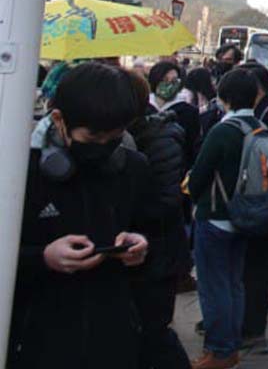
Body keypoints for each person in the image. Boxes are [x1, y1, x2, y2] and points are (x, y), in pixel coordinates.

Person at [12, 63, 151, 369]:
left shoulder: (133, 168)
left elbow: (157, 239)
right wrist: (42, 258)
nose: (103, 147)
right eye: (93, 136)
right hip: (36, 340)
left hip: (113, 336)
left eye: (114, 137)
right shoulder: (19, 170)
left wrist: (140, 245)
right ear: (58, 120)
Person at [186, 68, 263, 369]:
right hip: (246, 216)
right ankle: (231, 344)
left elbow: (199, 177)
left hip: (216, 215)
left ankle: (219, 350)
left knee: (213, 286)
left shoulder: (223, 130)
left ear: (224, 97)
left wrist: (192, 190)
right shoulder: (259, 127)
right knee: (233, 284)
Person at [124, 70, 192, 369]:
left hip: (158, 252)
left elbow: (166, 200)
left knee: (154, 333)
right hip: (151, 252)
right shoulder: (134, 136)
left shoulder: (158, 138)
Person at [236, 65, 268, 347]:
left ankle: (252, 324)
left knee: (257, 264)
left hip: (263, 199)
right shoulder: (265, 112)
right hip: (264, 198)